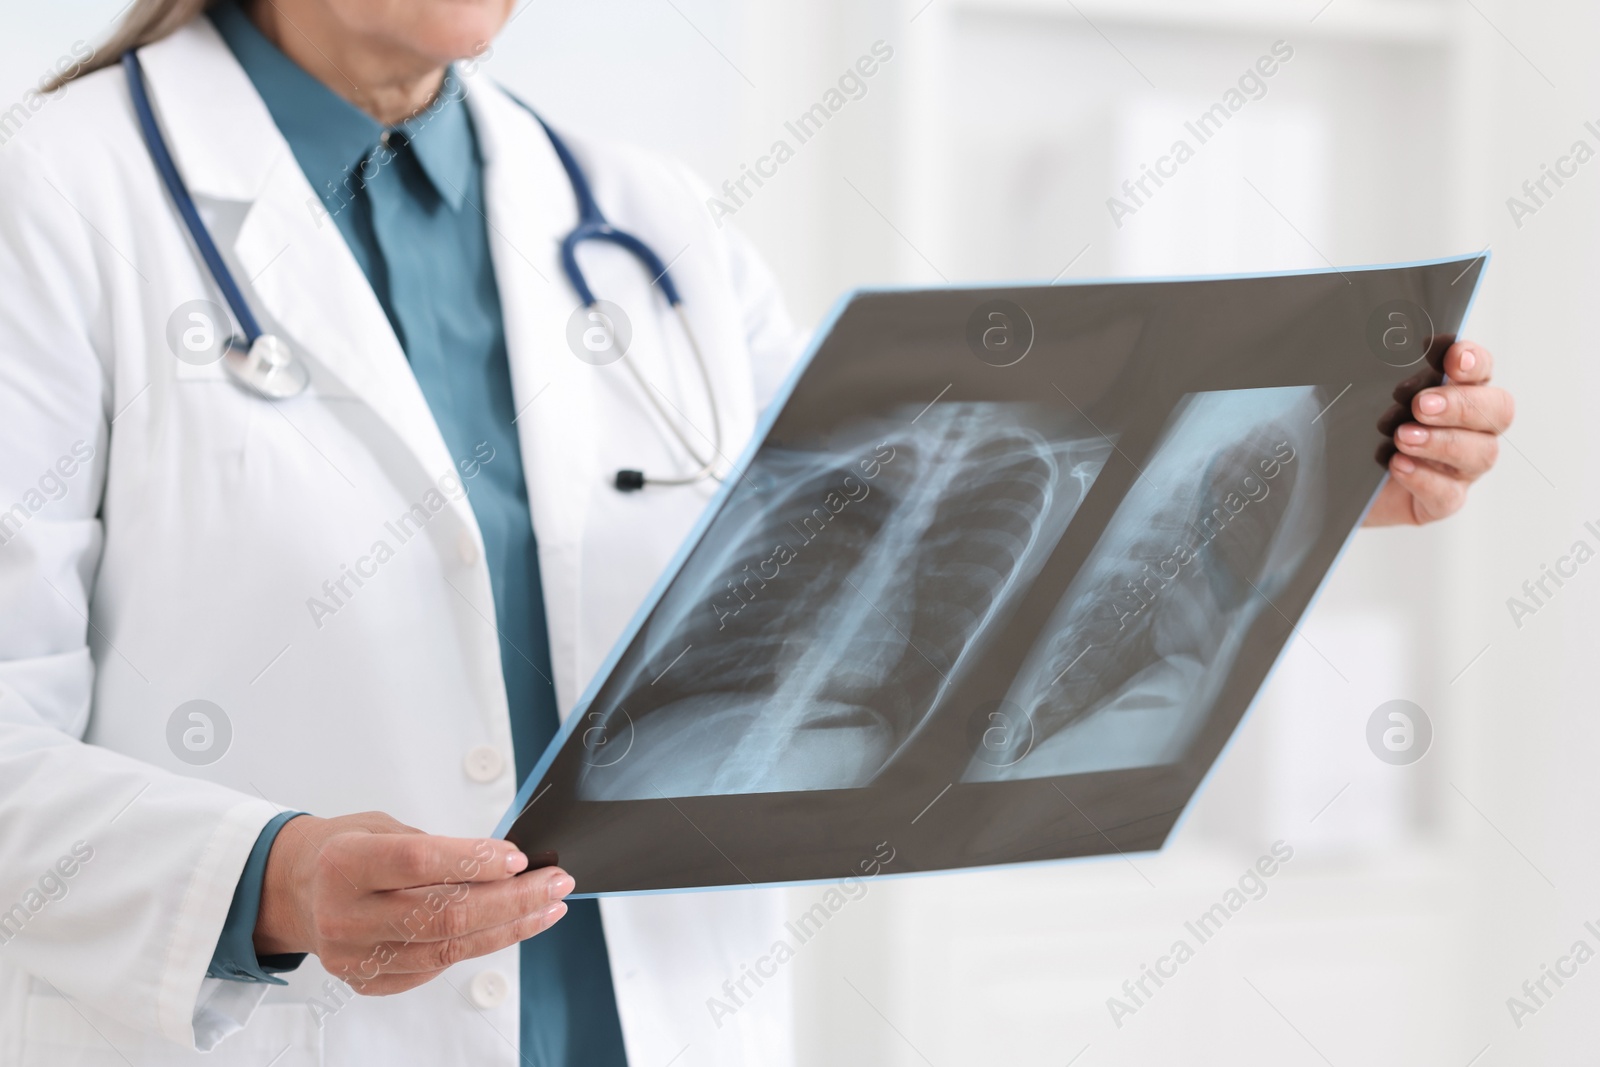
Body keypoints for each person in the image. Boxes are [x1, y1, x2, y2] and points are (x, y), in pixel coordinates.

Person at [0, 0, 1515, 1065]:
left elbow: (902, 591)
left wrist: (1298, 486)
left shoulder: (647, 225)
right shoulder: (55, 201)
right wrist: (263, 877)